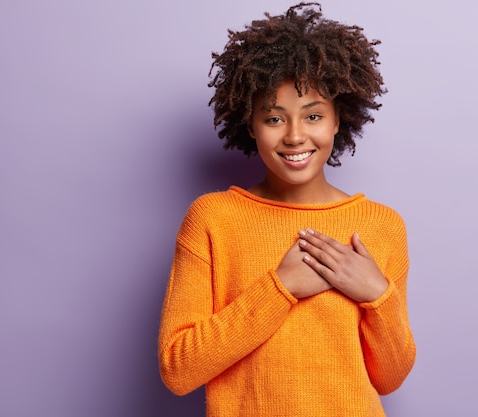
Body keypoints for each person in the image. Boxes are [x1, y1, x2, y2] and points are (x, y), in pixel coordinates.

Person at [158, 2, 416, 416]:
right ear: (250, 123)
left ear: (338, 119)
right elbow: (178, 369)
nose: (296, 136)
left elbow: (390, 378)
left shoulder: (381, 226)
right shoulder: (213, 219)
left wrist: (377, 296)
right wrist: (280, 289)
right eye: (274, 119)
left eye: (313, 115)